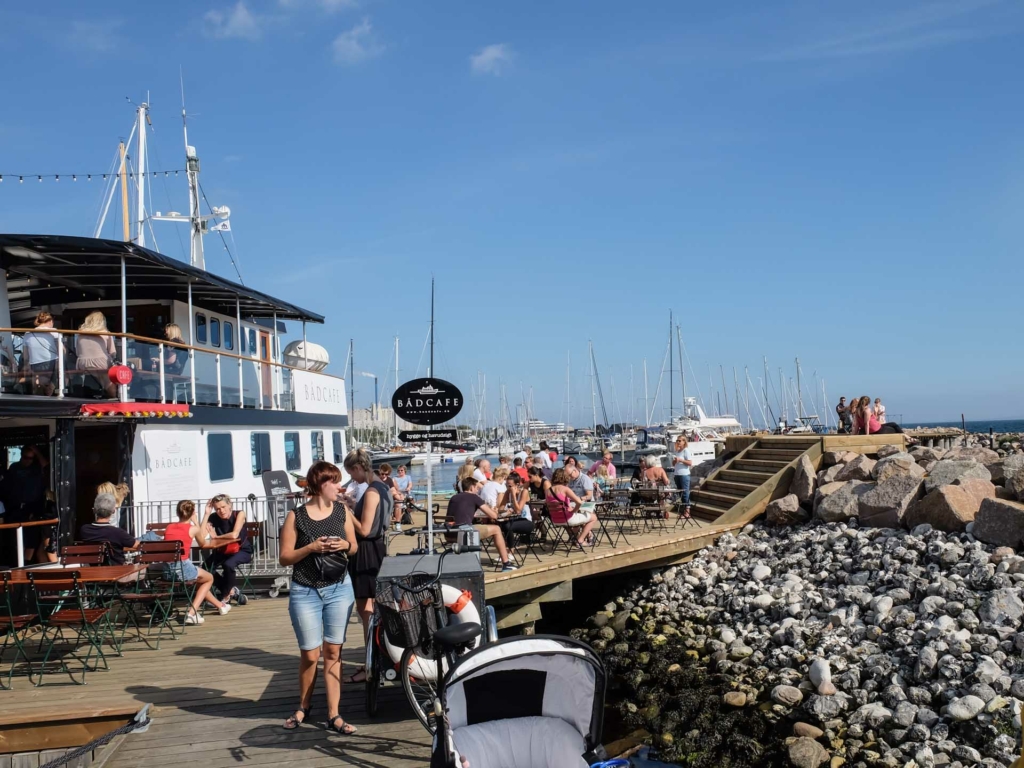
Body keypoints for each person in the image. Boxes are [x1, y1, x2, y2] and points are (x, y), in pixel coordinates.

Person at [279, 460, 358, 734]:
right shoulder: (296, 516)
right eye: (334, 481)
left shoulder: (342, 511)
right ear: (319, 485)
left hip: (339, 587)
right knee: (311, 655)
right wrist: (310, 548)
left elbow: (354, 546)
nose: (340, 486)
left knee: (334, 651)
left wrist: (344, 544)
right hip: (305, 590)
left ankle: (334, 715)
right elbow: (284, 557)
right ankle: (304, 706)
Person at [343, 448, 391, 682]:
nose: (352, 478)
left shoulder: (371, 492)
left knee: (366, 611)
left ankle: (370, 662)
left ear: (358, 468)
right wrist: (353, 506)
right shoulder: (383, 486)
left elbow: (363, 529)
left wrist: (345, 510)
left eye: (352, 473)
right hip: (377, 547)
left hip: (366, 551)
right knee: (371, 609)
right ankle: (373, 659)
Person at [163, 500, 230, 624]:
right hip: (182, 567)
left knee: (201, 580)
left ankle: (220, 606)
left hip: (167, 570)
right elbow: (203, 543)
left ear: (177, 512)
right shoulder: (192, 528)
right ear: (193, 512)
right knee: (209, 578)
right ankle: (191, 613)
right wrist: (199, 519)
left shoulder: (169, 527)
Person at [448, 477, 517, 571]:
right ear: (472, 487)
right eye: (477, 488)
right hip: (464, 533)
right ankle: (506, 563)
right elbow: (493, 516)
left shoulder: (454, 497)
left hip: (449, 533)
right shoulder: (474, 497)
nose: (477, 490)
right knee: (496, 529)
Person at [201, 494, 253, 605]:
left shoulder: (239, 514)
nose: (221, 511)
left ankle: (224, 596)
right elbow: (201, 536)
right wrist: (206, 514)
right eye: (217, 509)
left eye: (223, 507)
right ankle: (231, 591)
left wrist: (216, 537)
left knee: (228, 564)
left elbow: (234, 535)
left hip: (242, 550)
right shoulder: (213, 517)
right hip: (223, 551)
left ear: (230, 505)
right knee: (205, 567)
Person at [80, 493, 140, 564]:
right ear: (113, 511)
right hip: (117, 571)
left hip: (92, 570)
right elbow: (138, 545)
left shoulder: (85, 530)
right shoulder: (117, 533)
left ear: (94, 510)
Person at [546, 468, 599, 548]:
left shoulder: (548, 491)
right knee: (593, 517)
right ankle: (580, 540)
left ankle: (578, 536)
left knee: (581, 518)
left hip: (555, 520)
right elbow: (579, 502)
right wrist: (574, 510)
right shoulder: (565, 489)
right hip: (567, 519)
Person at [76, 311, 119, 397]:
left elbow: (77, 351)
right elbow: (112, 352)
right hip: (101, 363)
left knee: (94, 376)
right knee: (110, 380)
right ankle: (114, 397)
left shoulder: (80, 334)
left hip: (83, 364)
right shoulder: (105, 333)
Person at [24, 311, 60, 396]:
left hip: (34, 364)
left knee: (39, 386)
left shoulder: (27, 333)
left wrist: (27, 365)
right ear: (50, 321)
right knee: (52, 386)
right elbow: (62, 350)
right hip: (51, 362)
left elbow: (26, 354)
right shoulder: (54, 331)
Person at [671, 436, 693, 515]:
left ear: (684, 442)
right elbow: (673, 464)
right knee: (680, 493)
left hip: (684, 474)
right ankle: (684, 510)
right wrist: (674, 461)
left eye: (680, 441)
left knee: (685, 493)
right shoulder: (677, 451)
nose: (678, 442)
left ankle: (687, 512)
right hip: (677, 474)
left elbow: (690, 463)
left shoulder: (685, 451)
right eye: (677, 440)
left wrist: (681, 460)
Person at [392, 464, 413, 529]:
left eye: (402, 470)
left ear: (405, 471)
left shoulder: (408, 477)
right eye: (399, 470)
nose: (400, 472)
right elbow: (394, 488)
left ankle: (398, 520)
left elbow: (410, 484)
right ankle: (398, 520)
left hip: (405, 493)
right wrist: (398, 493)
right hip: (398, 494)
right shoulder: (394, 478)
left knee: (400, 501)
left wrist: (408, 488)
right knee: (399, 501)